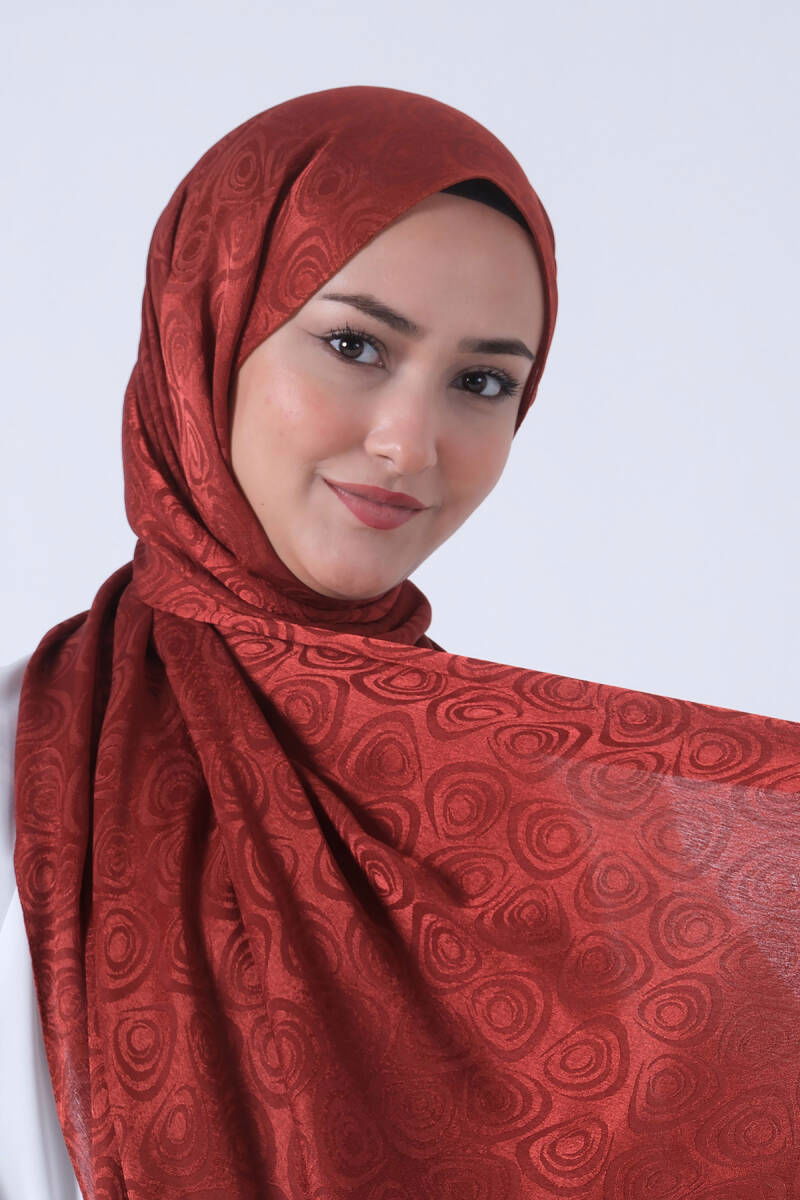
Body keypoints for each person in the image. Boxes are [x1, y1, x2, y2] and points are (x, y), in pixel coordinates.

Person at [2, 84, 798, 1200]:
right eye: (354, 344)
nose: (409, 444)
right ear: (205, 329)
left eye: (482, 382)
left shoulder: (556, 836)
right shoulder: (21, 765)